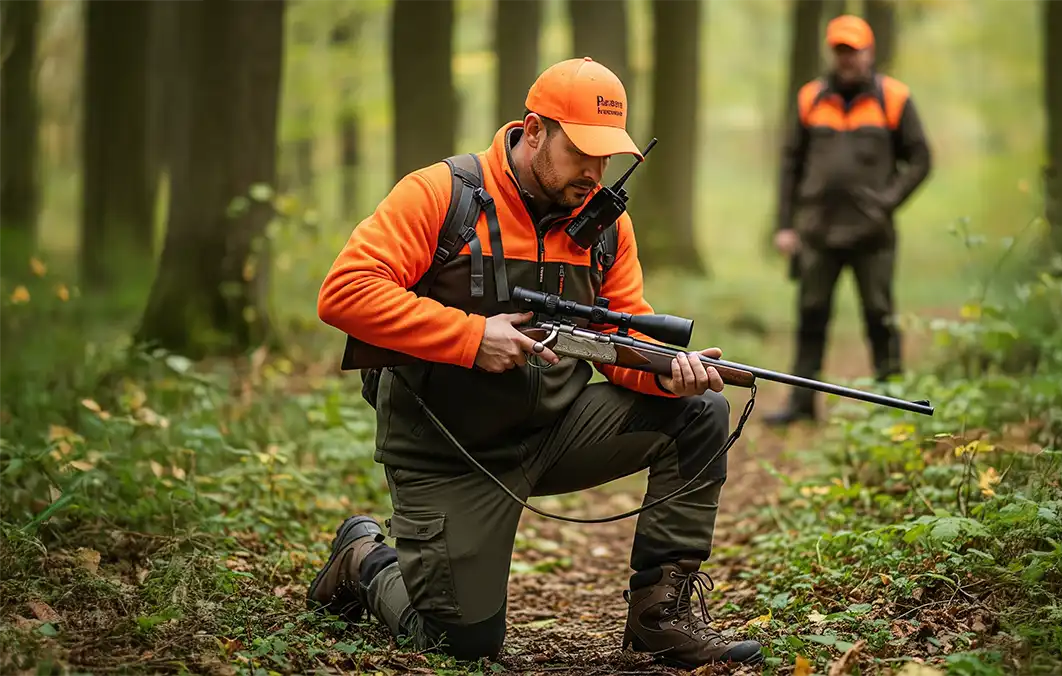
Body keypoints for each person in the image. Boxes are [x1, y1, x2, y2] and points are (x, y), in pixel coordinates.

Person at [308, 56, 763, 669]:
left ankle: (661, 620)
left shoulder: (606, 226)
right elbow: (345, 292)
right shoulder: (441, 196)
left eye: (607, 157)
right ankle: (366, 559)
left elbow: (617, 336)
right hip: (450, 450)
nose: (595, 173)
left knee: (699, 408)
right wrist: (470, 337)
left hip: (556, 431)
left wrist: (664, 367)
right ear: (535, 129)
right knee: (459, 644)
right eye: (581, 152)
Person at [765, 14, 932, 426]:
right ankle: (801, 406)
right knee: (811, 315)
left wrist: (887, 201)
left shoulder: (893, 98)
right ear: (832, 52)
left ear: (869, 52)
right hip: (817, 232)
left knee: (880, 315)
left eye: (853, 51)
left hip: (872, 234)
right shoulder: (810, 98)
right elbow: (790, 163)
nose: (846, 59)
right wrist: (786, 224)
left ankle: (894, 405)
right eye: (839, 50)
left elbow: (921, 159)